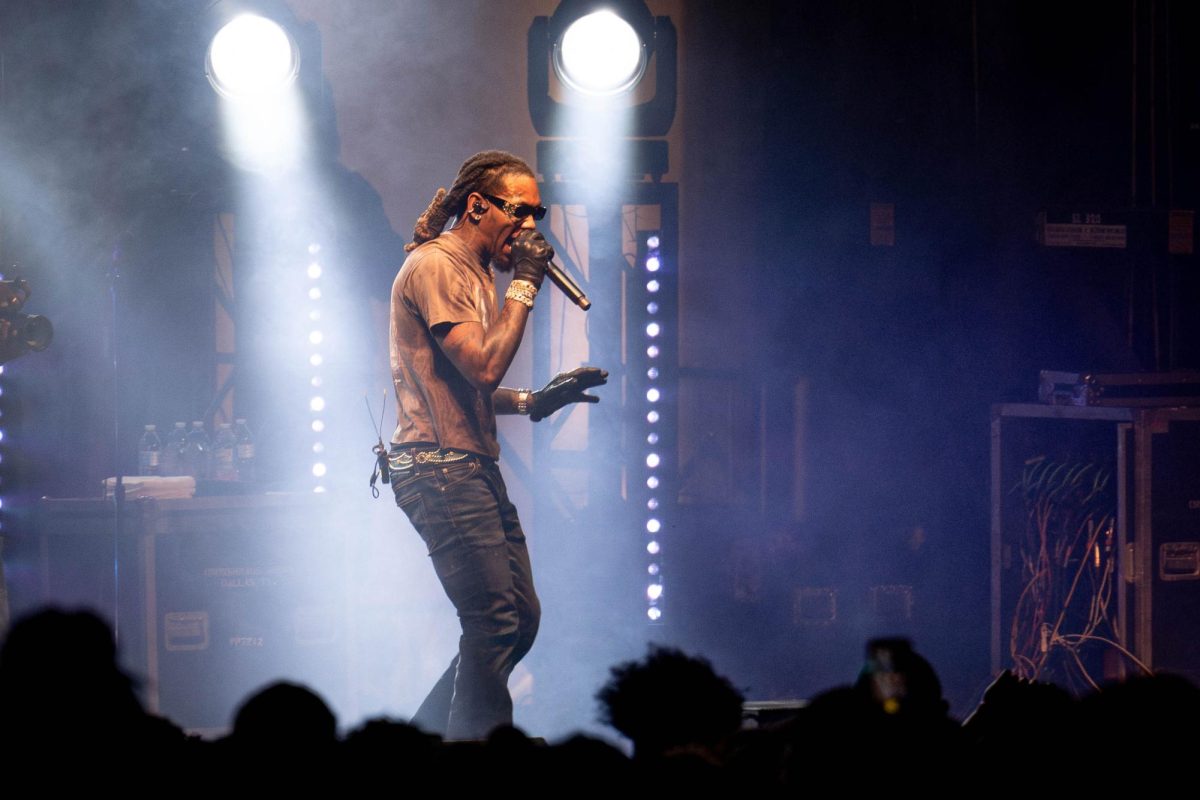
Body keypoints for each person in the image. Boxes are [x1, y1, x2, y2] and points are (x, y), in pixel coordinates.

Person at [388, 150, 607, 740]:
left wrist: (533, 400)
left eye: (538, 214)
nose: (530, 227)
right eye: (519, 212)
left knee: (519, 618)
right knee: (491, 619)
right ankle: (475, 757)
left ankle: (424, 738)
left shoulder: (477, 274)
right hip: (438, 468)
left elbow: (466, 383)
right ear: (477, 206)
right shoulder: (438, 266)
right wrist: (529, 285)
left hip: (466, 466)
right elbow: (482, 368)